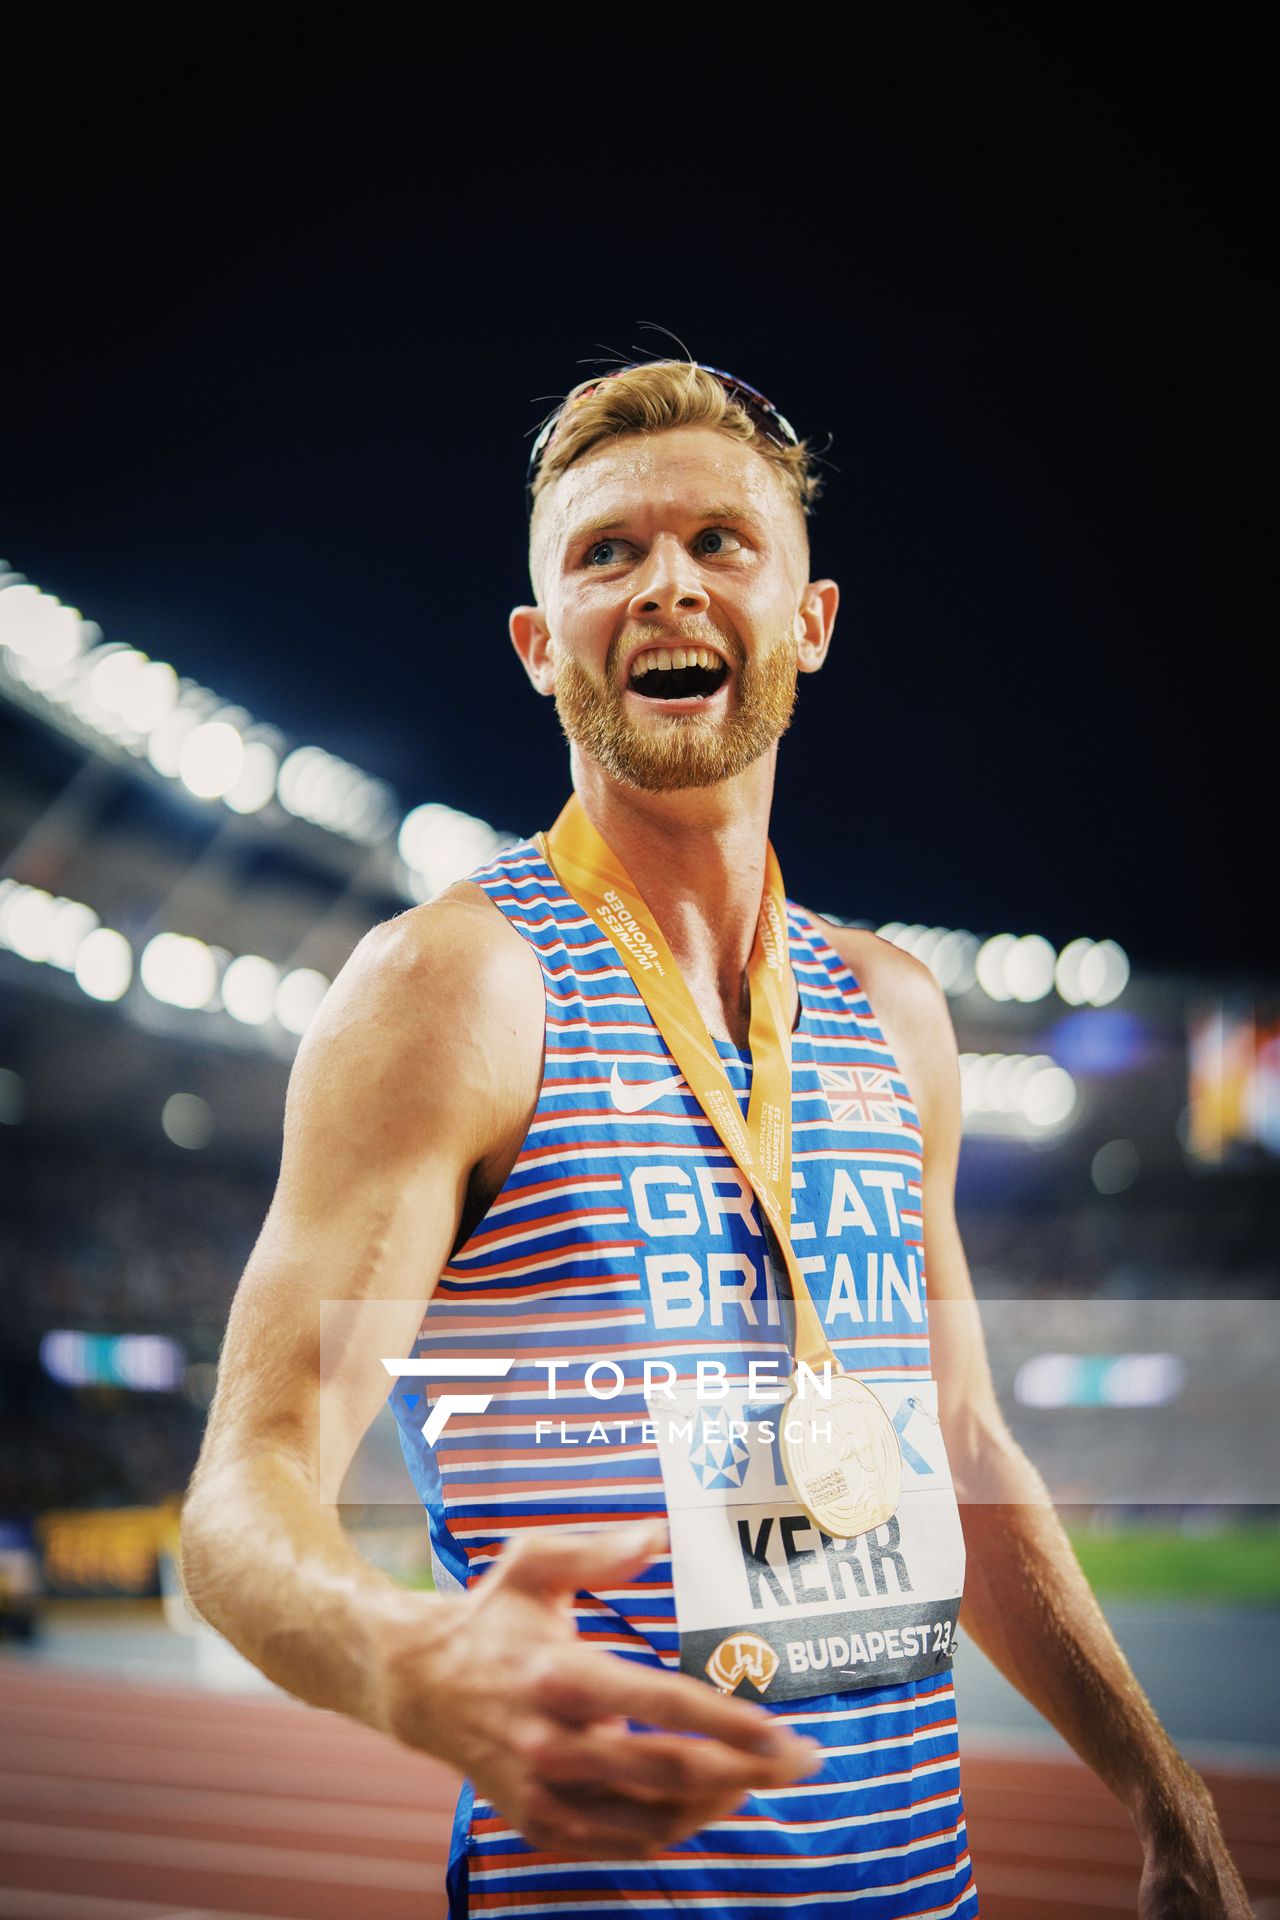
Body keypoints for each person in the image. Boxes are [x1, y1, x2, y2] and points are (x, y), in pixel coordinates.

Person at [180, 359, 1250, 1918]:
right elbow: (243, 1485)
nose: (666, 584)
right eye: (607, 552)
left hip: (923, 1890)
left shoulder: (895, 1012)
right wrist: (399, 1654)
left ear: (809, 620)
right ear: (544, 649)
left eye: (720, 543)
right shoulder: (455, 986)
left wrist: (1170, 1805)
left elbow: (958, 1447)